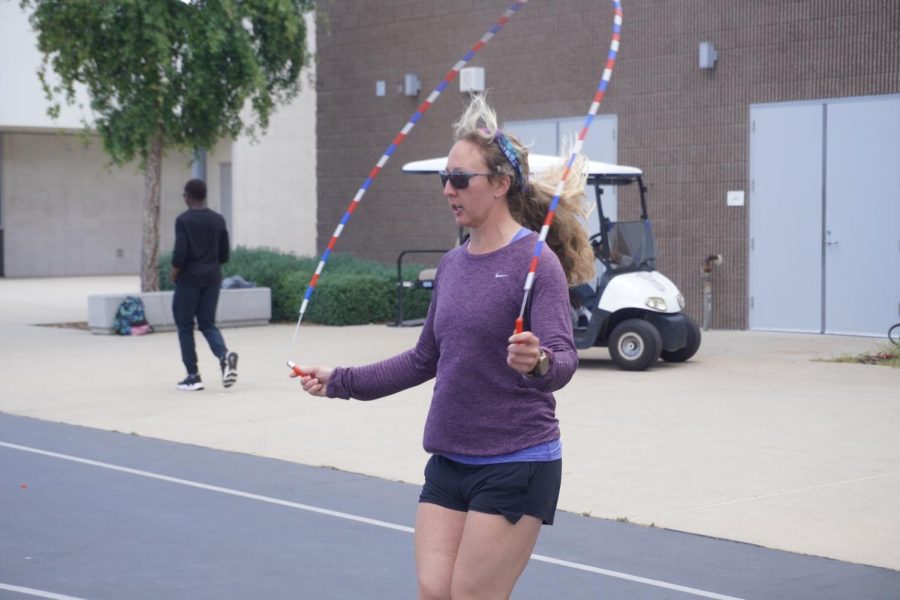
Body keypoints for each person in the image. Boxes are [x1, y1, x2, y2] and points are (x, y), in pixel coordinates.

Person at [294, 96, 594, 599]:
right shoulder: (453, 265)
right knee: (435, 592)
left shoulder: (537, 262)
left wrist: (537, 362)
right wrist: (339, 381)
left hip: (516, 461)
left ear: (500, 185)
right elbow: (423, 359)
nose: (448, 190)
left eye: (460, 179)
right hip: (450, 460)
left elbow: (563, 361)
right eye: (444, 179)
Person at [171, 178, 238, 391]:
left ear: (188, 196)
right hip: (212, 279)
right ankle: (224, 355)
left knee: (184, 325)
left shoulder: (183, 220)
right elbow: (224, 254)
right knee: (207, 324)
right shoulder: (218, 220)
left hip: (189, 280)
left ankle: (193, 376)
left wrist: (174, 273)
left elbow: (180, 254)